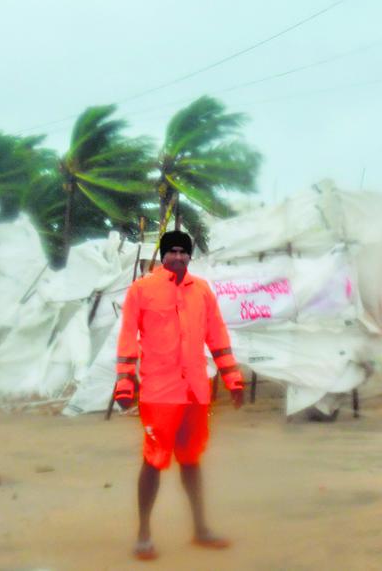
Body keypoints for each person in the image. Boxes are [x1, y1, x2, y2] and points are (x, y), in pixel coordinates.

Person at [114, 230, 245, 561]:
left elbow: (217, 335)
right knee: (154, 460)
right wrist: (125, 383)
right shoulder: (142, 290)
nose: (177, 256)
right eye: (171, 251)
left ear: (190, 256)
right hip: (159, 393)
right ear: (162, 256)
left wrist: (232, 378)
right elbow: (128, 336)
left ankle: (201, 529)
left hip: (195, 392)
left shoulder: (202, 291)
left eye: (183, 252)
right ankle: (144, 534)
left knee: (191, 459)